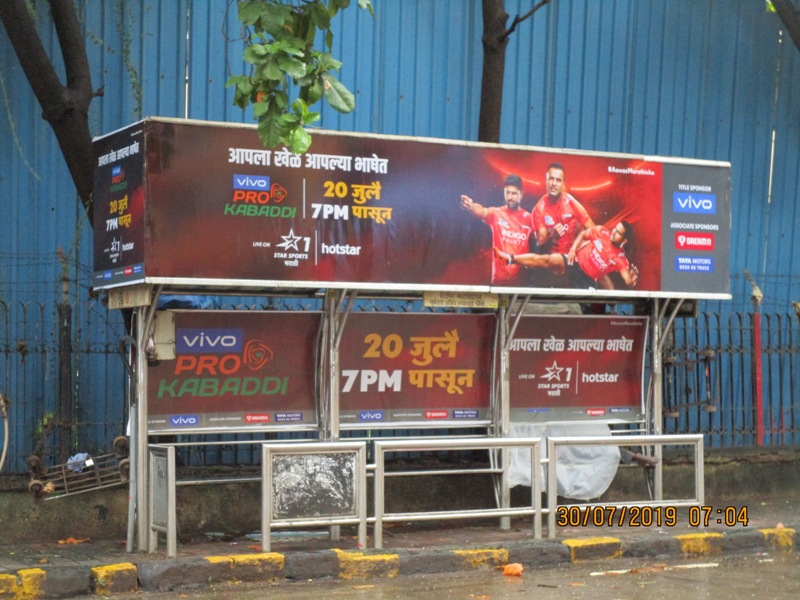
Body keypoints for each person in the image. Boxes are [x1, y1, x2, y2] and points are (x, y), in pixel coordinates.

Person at [496, 220, 639, 290]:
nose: (614, 232)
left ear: (624, 240)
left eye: (619, 232)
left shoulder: (621, 259)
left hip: (587, 280)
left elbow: (627, 280)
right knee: (547, 259)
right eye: (615, 228)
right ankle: (509, 258)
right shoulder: (601, 232)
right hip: (574, 263)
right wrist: (572, 250)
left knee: (584, 303)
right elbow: (583, 234)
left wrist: (632, 279)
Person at [461, 174, 532, 283]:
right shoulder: (496, 213)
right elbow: (483, 211)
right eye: (507, 192)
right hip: (498, 281)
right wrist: (471, 206)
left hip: (521, 283)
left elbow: (544, 236)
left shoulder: (529, 218)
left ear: (521, 195)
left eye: (514, 193)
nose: (510, 197)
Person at [530, 163, 595, 254]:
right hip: (549, 261)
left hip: (570, 259)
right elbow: (539, 250)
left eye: (558, 180)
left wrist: (580, 249)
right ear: (546, 181)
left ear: (563, 184)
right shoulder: (539, 210)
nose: (554, 184)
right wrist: (552, 237)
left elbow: (594, 231)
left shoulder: (571, 202)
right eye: (551, 179)